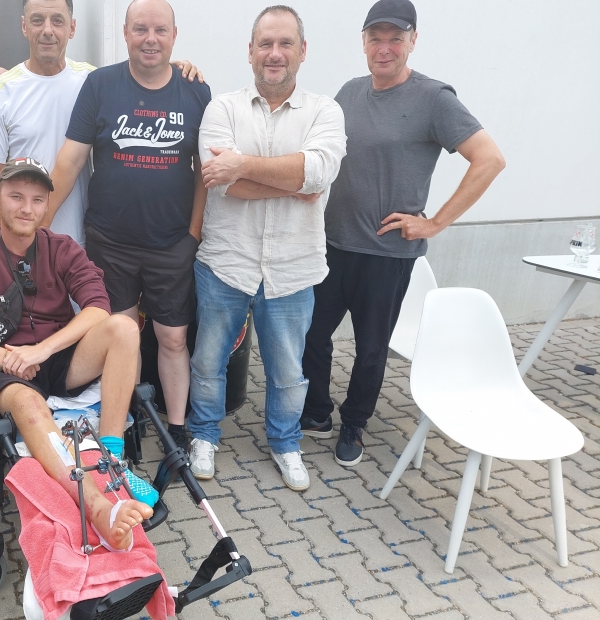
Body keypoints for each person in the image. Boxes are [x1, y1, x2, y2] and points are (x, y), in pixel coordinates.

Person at [300, 0, 505, 467]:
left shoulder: (434, 99)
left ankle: (354, 423)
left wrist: (434, 223)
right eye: (376, 38)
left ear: (413, 41)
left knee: (371, 348)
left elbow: (490, 159)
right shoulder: (349, 92)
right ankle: (317, 412)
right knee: (311, 333)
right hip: (332, 244)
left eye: (396, 38)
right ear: (364, 43)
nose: (385, 48)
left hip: (387, 254)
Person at [0, 158, 154, 550]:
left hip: (53, 355)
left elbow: (98, 307)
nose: (26, 208)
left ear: (47, 205)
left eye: (36, 200)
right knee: (29, 404)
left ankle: (111, 460)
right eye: (16, 197)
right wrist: (2, 358)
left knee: (125, 328)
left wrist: (42, 350)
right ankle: (97, 507)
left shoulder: (61, 248)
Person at [186, 6, 346, 490]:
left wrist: (244, 165)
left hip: (294, 268)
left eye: (285, 43)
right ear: (251, 51)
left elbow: (319, 171)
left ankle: (285, 442)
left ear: (302, 50)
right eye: (265, 44)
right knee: (208, 361)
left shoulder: (325, 112)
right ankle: (203, 434)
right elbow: (220, 182)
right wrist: (293, 182)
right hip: (226, 262)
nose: (274, 54)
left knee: (289, 370)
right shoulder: (222, 109)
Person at [48, 0, 210, 452]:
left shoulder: (196, 91)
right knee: (123, 337)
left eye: (160, 30)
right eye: (140, 29)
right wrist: (37, 224)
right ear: (125, 33)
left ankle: (176, 428)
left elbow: (204, 171)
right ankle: (128, 425)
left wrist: (193, 234)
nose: (150, 39)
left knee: (173, 339)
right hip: (111, 242)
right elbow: (71, 160)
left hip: (171, 244)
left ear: (174, 35)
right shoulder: (101, 85)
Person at [0, 0, 202, 247]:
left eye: (57, 21)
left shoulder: (93, 81)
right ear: (24, 26)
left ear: (72, 28)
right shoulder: (1, 89)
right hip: (23, 237)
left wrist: (174, 68)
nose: (47, 30)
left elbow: (139, 76)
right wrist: (2, 246)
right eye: (37, 20)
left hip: (80, 239)